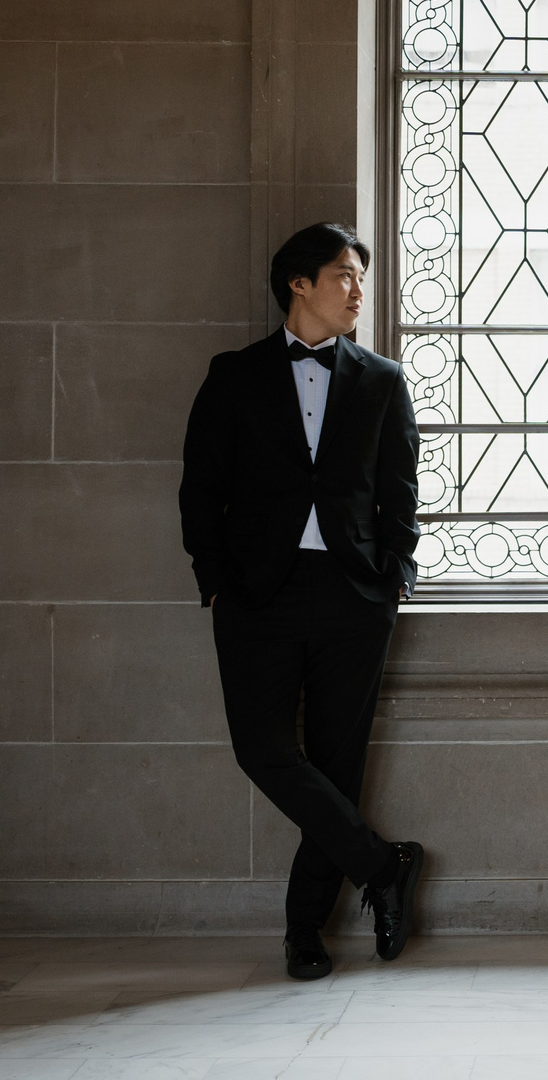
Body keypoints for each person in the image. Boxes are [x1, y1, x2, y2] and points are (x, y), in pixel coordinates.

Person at [179, 223, 426, 979]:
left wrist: (395, 574)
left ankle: (303, 932)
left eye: (361, 278)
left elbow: (400, 490)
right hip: (257, 594)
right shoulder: (234, 375)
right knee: (262, 748)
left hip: (354, 595)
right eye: (346, 274)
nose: (358, 290)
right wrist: (213, 576)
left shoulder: (382, 380)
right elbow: (200, 486)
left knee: (337, 763)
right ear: (299, 282)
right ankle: (384, 866)